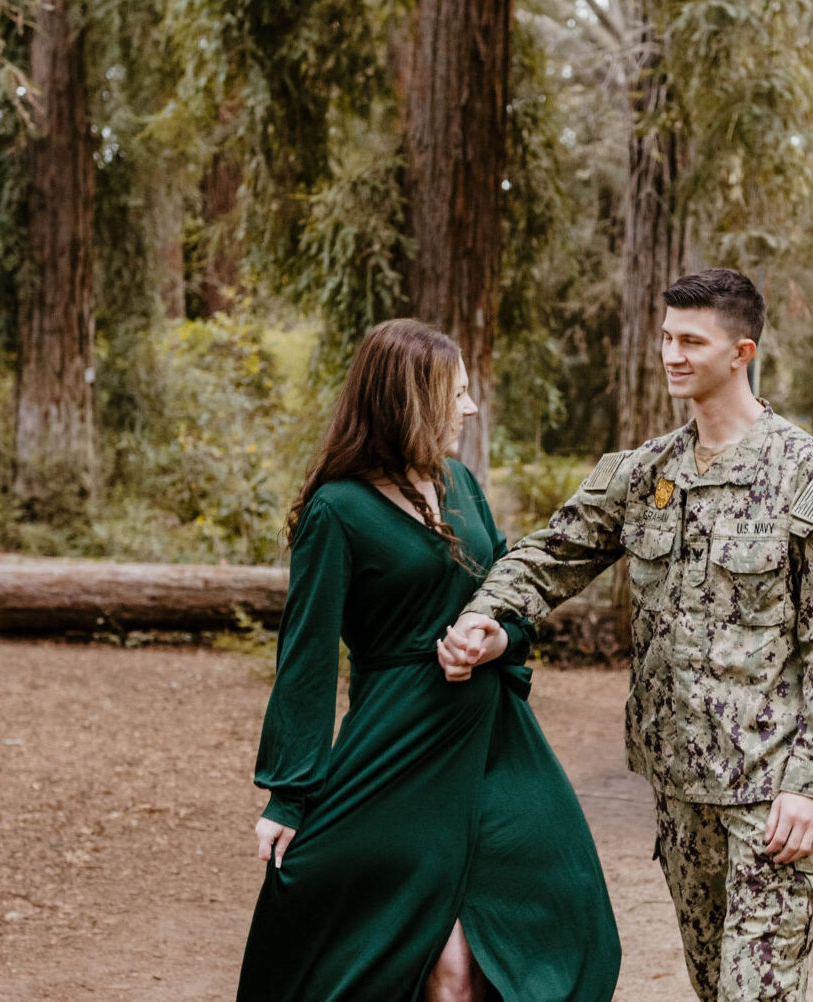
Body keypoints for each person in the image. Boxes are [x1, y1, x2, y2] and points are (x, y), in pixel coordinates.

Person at [438, 269, 813, 1002]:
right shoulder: (645, 473)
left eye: (690, 341)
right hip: (678, 797)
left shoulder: (805, 476)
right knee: (715, 990)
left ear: (741, 351)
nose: (671, 354)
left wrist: (811, 786)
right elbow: (553, 552)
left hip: (766, 798)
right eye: (666, 338)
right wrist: (488, 615)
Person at [236, 319, 620, 1002]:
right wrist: (288, 794)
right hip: (398, 747)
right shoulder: (337, 510)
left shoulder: (461, 485)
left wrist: (498, 640)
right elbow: (305, 655)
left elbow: (513, 599)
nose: (468, 409)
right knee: (447, 973)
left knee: (562, 904)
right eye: (457, 393)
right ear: (407, 399)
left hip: (495, 739)